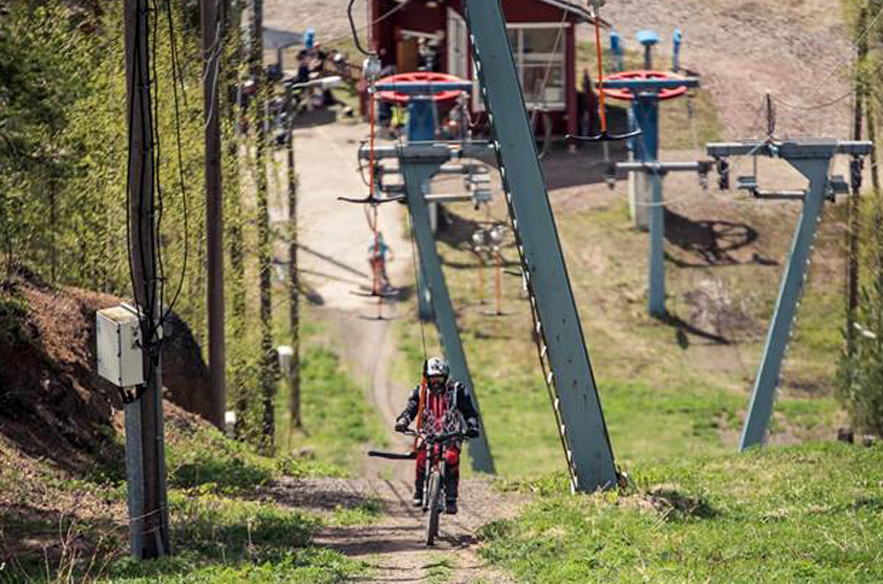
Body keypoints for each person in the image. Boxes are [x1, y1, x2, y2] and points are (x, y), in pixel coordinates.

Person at [395, 357, 481, 515]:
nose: (436, 383)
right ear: (427, 378)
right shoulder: (420, 392)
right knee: (421, 458)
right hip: (427, 434)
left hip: (451, 435)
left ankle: (451, 498)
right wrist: (403, 421)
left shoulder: (457, 391)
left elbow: (470, 413)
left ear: (446, 377)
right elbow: (410, 410)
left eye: (439, 378)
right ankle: (419, 491)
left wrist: (472, 426)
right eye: (432, 379)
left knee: (451, 458)